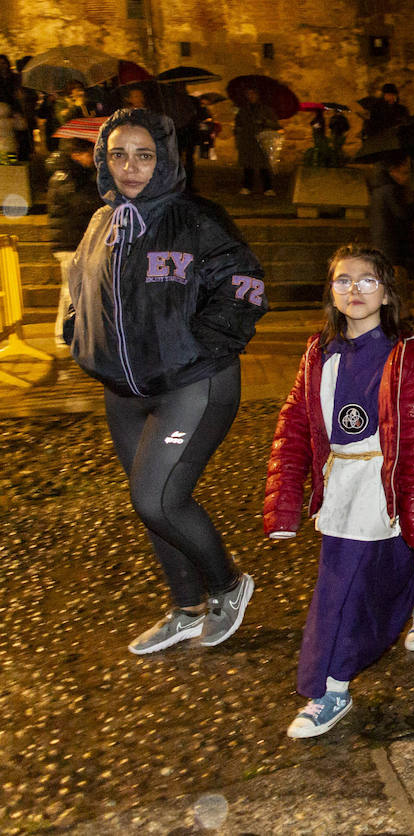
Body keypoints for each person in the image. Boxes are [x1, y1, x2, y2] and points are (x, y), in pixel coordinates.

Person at [65, 108, 268, 654]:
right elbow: (78, 286)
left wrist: (199, 347)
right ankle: (185, 607)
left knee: (158, 499)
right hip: (124, 391)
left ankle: (227, 586)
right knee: (145, 501)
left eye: (144, 154)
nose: (131, 167)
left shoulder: (197, 218)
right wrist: (76, 333)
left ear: (166, 158)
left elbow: (245, 285)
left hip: (193, 385)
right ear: (105, 162)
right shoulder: (101, 223)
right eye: (118, 155)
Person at [263, 244, 414, 739]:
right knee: (354, 578)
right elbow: (295, 424)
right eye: (343, 280)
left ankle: (331, 689)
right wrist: (283, 502)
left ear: (387, 291)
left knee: (348, 587)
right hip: (339, 484)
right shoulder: (319, 352)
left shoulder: (405, 357)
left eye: (367, 280)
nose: (355, 290)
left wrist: (412, 512)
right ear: (331, 290)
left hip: (382, 485)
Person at [46, 135, 102, 347]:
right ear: (76, 154)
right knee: (69, 290)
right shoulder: (65, 177)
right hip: (69, 243)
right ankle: (62, 333)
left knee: (78, 289)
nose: (92, 157)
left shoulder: (79, 176)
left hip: (77, 241)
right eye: (89, 153)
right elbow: (80, 205)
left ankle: (76, 331)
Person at [367, 157, 414, 296]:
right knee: (397, 277)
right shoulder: (391, 190)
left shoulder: (378, 189)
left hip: (383, 239)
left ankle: (399, 311)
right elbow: (402, 213)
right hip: (393, 240)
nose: (407, 177)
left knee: (391, 278)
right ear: (393, 172)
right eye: (404, 173)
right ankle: (401, 312)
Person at [234, 87, 281, 195]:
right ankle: (247, 186)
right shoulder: (243, 110)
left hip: (262, 140)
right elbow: (238, 124)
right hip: (248, 140)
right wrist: (239, 134)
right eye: (248, 94)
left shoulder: (266, 110)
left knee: (264, 165)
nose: (251, 96)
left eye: (253, 93)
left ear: (258, 95)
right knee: (248, 165)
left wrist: (264, 121)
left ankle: (268, 188)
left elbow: (275, 125)